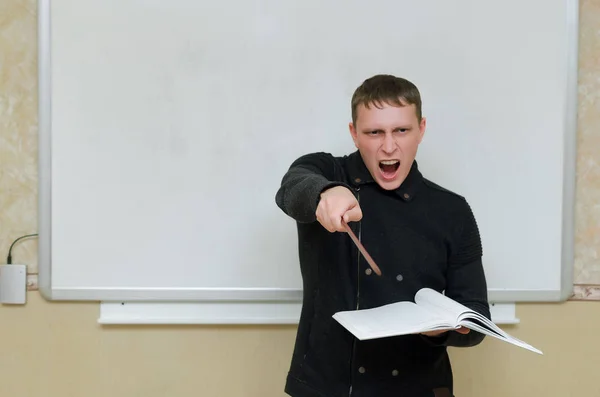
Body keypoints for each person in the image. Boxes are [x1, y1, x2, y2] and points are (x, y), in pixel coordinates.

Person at [274, 74, 490, 397]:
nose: (388, 146)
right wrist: (325, 193)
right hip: (327, 387)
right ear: (354, 134)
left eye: (401, 130)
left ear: (421, 130)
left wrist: (443, 329)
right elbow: (292, 186)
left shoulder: (452, 211)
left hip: (419, 387)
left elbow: (476, 318)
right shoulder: (326, 173)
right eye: (374, 132)